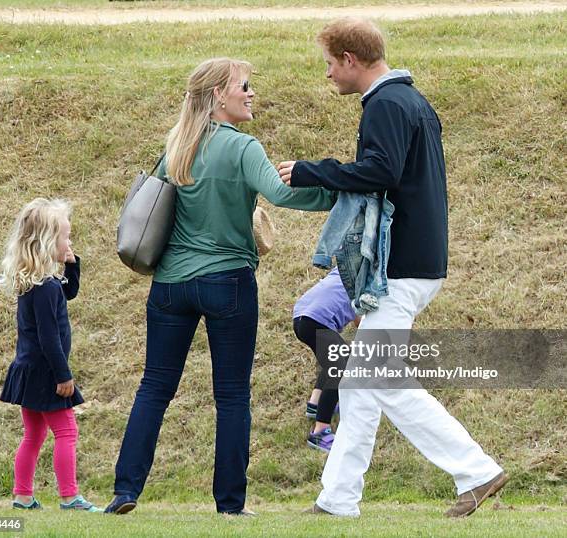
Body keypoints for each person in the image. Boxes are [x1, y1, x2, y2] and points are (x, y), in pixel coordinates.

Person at [278, 19, 507, 518]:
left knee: (378, 379)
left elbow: (382, 171)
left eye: (330, 64)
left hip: (398, 266)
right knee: (363, 386)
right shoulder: (412, 100)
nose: (328, 75)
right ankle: (337, 499)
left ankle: (476, 469)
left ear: (350, 60)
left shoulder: (384, 105)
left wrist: (312, 170)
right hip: (419, 260)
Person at [105, 57, 335, 516]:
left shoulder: (176, 147)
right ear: (218, 96)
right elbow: (284, 194)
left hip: (170, 285)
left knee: (154, 387)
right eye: (243, 86)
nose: (251, 93)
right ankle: (230, 504)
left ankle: (125, 492)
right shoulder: (243, 147)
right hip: (227, 282)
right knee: (231, 395)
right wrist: (337, 189)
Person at [0, 198, 102, 512]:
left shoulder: (38, 283)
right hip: (47, 373)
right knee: (67, 431)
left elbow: (70, 291)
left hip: (28, 370)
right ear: (45, 243)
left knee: (34, 434)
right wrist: (63, 375)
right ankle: (69, 497)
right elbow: (49, 338)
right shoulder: (45, 288)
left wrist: (71, 263)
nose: (69, 242)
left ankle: (22, 495)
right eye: (65, 237)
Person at [293, 268, 358, 452]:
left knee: (335, 360)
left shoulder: (344, 268)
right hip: (317, 319)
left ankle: (315, 402)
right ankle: (320, 430)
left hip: (301, 315)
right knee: (342, 366)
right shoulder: (367, 278)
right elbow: (359, 321)